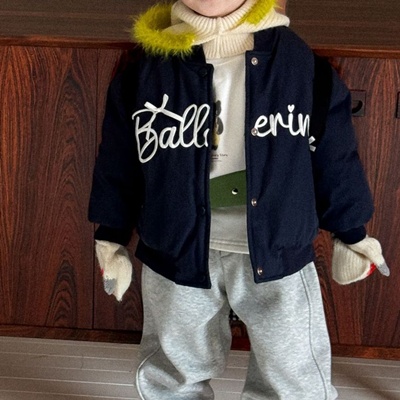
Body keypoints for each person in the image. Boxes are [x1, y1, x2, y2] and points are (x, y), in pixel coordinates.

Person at [88, 0, 390, 398]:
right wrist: (111, 235)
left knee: (293, 373)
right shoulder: (145, 70)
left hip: (278, 250)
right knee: (174, 370)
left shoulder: (301, 67)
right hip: (176, 251)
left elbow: (334, 158)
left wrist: (351, 232)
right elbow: (119, 160)